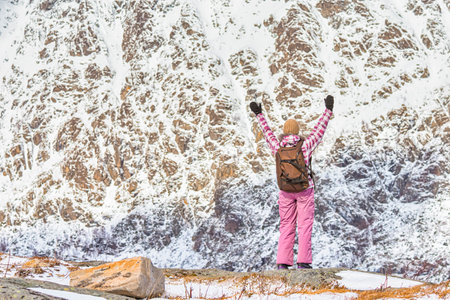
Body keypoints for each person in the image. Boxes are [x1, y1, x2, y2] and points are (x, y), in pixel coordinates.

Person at [249, 95, 334, 269]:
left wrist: (259, 114)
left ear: (285, 132)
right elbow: (319, 130)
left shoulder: (277, 146)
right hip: (305, 189)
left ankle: (282, 263)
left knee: (286, 225)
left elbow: (267, 133)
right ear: (296, 131)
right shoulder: (305, 146)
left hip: (285, 191)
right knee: (304, 225)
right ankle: (303, 262)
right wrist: (328, 110)